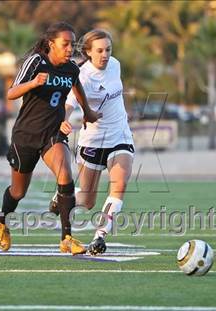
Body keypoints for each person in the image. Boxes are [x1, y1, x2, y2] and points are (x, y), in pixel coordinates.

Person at [0, 22, 101, 254]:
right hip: (26, 136)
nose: (69, 49)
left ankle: (67, 238)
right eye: (65, 44)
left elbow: (78, 88)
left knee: (66, 177)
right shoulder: (36, 62)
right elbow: (11, 93)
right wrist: (33, 83)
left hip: (53, 134)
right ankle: (3, 219)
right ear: (51, 44)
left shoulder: (71, 69)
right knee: (18, 192)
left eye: (72, 45)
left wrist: (88, 112)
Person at [50, 29, 134, 255]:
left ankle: (100, 236)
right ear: (88, 52)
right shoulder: (82, 76)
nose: (105, 55)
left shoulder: (115, 65)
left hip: (120, 135)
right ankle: (63, 197)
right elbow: (68, 104)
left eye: (108, 49)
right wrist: (63, 121)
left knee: (120, 183)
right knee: (87, 200)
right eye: (99, 50)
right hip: (93, 141)